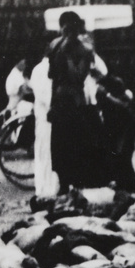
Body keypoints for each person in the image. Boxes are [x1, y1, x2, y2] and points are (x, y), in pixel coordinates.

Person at [47, 10, 103, 193]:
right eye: (66, 28)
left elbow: (78, 76)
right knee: (60, 147)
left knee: (77, 145)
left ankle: (77, 185)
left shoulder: (84, 50)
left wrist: (68, 55)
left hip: (76, 102)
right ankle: (63, 185)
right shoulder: (54, 46)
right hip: (60, 101)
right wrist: (51, 104)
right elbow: (52, 77)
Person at [28, 51, 59, 197]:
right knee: (47, 152)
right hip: (47, 117)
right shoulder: (44, 69)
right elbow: (47, 97)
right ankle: (47, 190)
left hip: (44, 117)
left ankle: (45, 188)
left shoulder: (38, 69)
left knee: (44, 153)